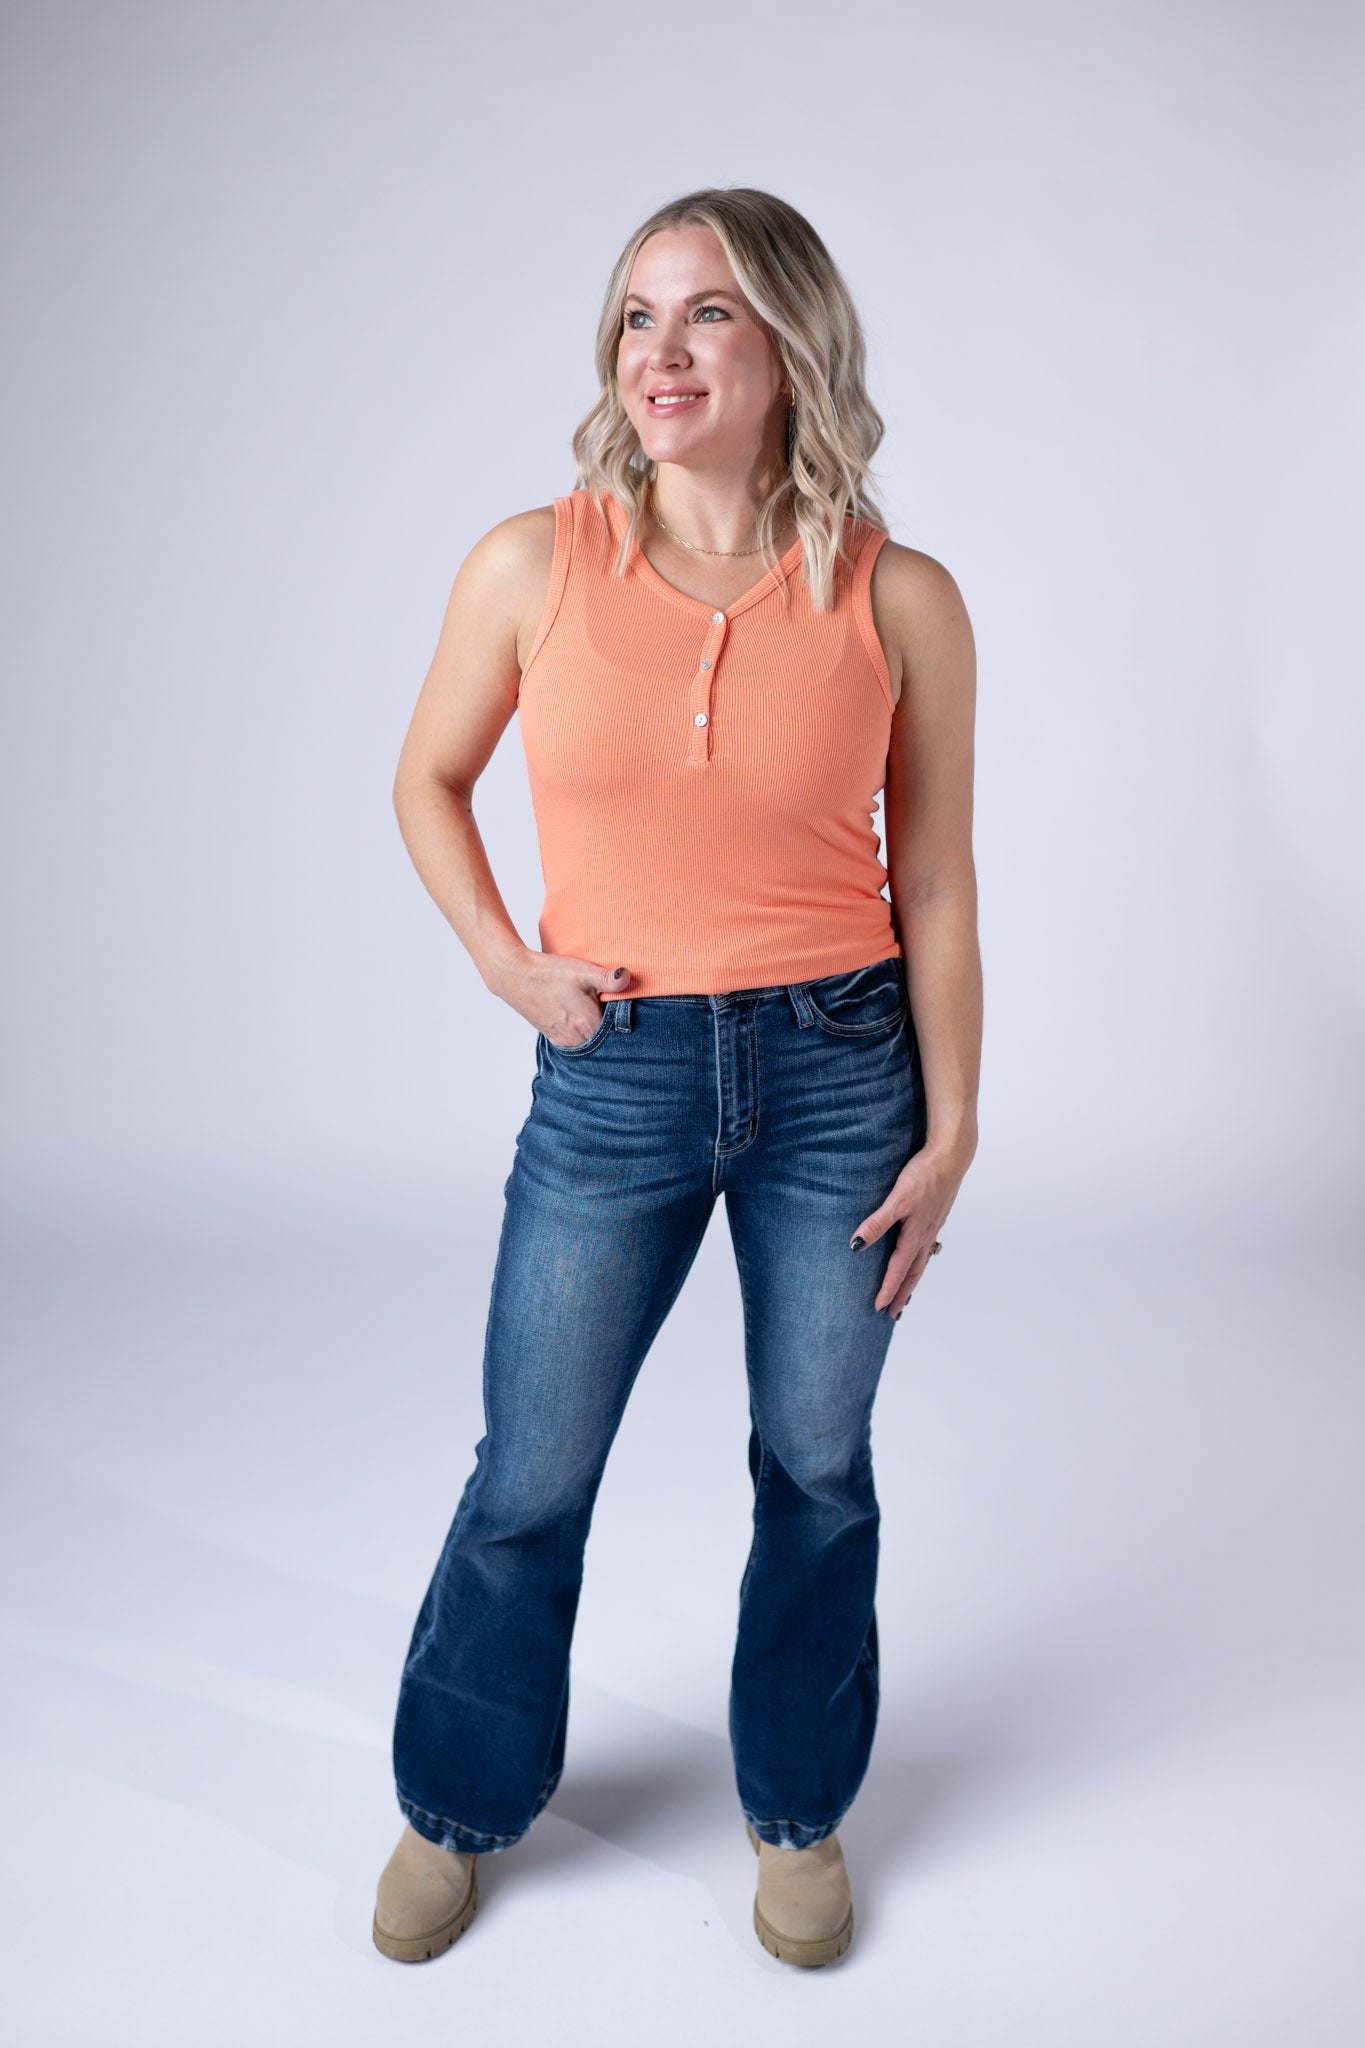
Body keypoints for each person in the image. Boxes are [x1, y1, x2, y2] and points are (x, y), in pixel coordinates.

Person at [372, 185, 981, 1969]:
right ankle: (457, 1801)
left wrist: (954, 1127)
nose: (662, 352)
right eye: (638, 317)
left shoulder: (899, 597)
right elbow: (425, 781)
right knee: (531, 1471)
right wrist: (507, 964)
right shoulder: (532, 563)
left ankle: (795, 1809)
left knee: (816, 1466)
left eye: (706, 314)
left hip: (841, 1075)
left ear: (790, 342)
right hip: (614, 1075)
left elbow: (938, 884)